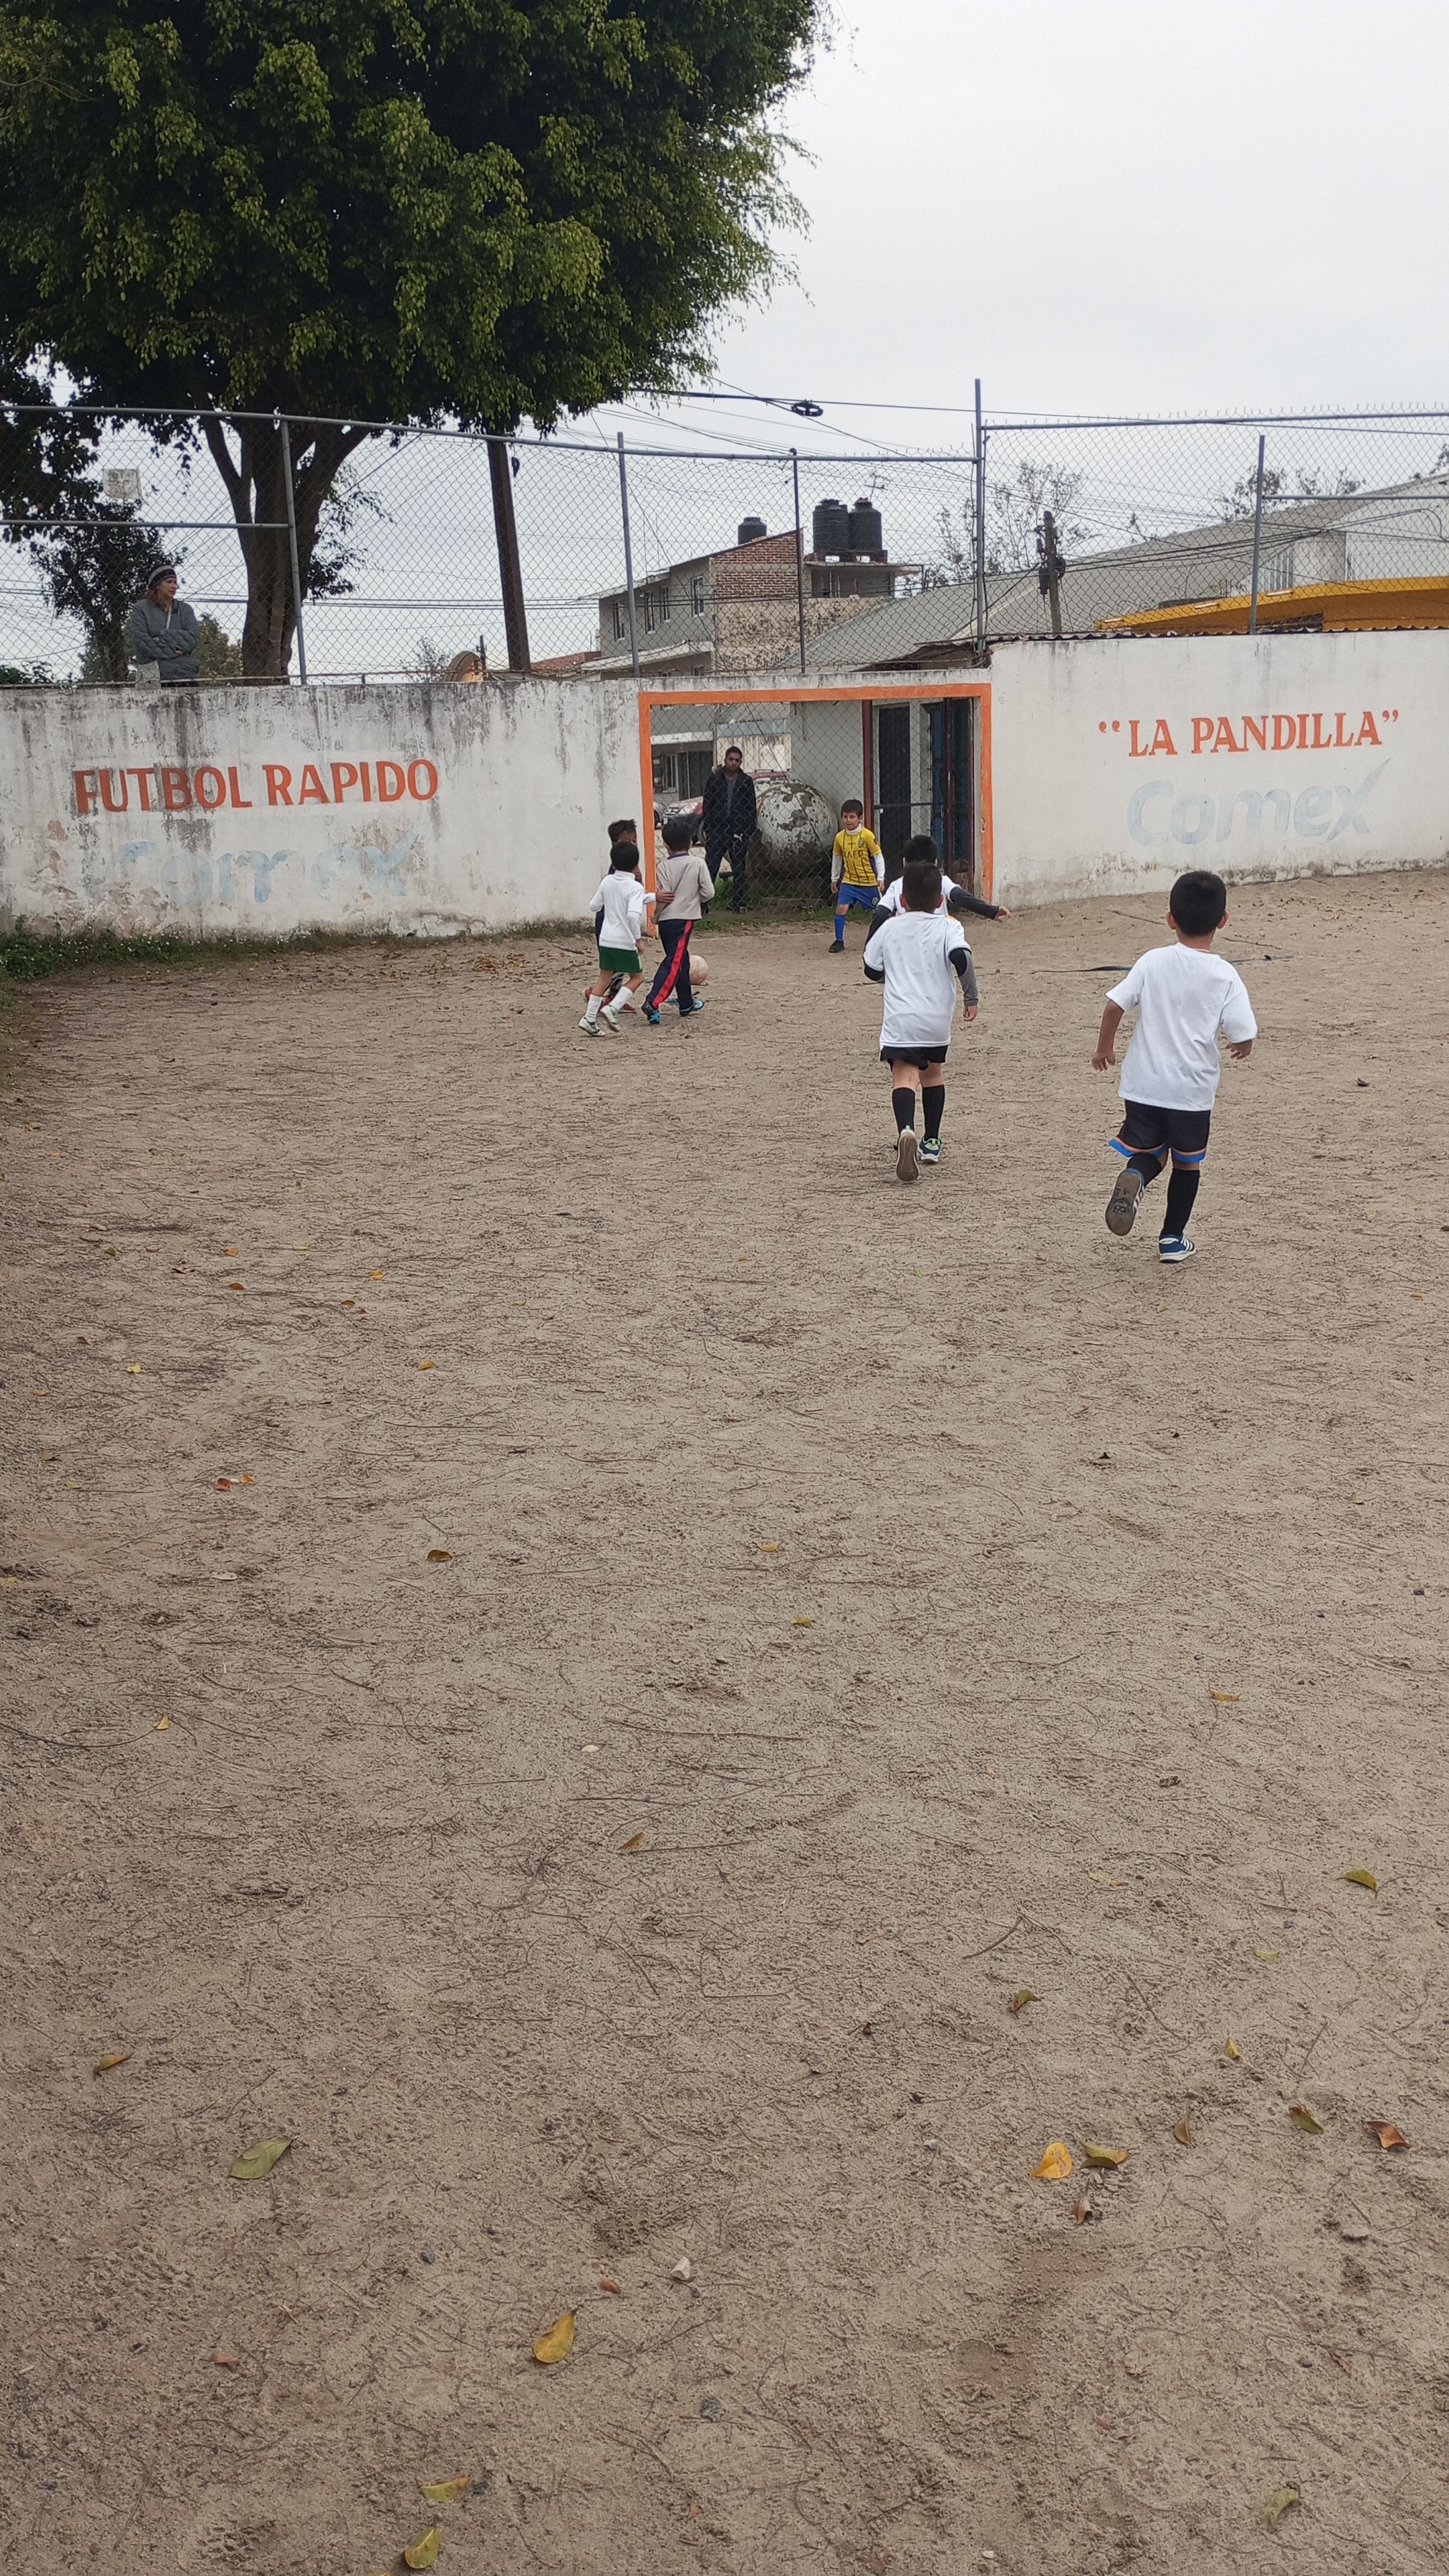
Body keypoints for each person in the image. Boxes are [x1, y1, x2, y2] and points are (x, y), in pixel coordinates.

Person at [1092, 866, 1256, 1265]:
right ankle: (1171, 1239)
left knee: (1152, 1152)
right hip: (1191, 1090)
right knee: (1186, 1161)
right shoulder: (1225, 975)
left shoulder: (1152, 961)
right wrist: (1243, 1046)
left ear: (1170, 920)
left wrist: (1105, 1049)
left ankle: (1138, 1176)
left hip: (1144, 1084)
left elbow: (1115, 1005)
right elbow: (1242, 1031)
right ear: (1223, 920)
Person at [862, 854, 978, 1183]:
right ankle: (931, 1142)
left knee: (904, 1077)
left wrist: (893, 971)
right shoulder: (950, 926)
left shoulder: (888, 928)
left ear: (901, 898)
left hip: (901, 1019)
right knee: (933, 1075)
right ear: (941, 899)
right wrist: (972, 997)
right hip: (936, 1020)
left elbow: (871, 969)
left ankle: (906, 1132)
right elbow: (962, 959)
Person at [643, 814, 712, 1025]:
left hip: (666, 920)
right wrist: (694, 898)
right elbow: (709, 893)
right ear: (692, 842)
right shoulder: (698, 864)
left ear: (665, 845)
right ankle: (653, 1001)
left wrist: (655, 916)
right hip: (684, 920)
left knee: (680, 960)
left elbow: (664, 896)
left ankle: (686, 1003)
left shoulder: (663, 867)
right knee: (674, 961)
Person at [580, 841, 651, 1034]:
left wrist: (653, 896)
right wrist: (638, 939)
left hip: (606, 939)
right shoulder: (635, 887)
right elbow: (633, 915)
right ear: (636, 865)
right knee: (637, 977)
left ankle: (589, 1019)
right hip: (624, 940)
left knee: (604, 978)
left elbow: (594, 906)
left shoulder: (607, 881)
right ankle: (613, 1007)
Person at [873, 832, 1009, 928]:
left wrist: (871, 942)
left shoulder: (897, 885)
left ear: (904, 862)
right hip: (938, 937)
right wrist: (991, 911)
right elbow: (960, 896)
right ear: (936, 862)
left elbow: (880, 913)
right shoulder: (941, 881)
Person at [701, 746, 757, 911]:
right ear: (725, 760)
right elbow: (707, 806)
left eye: (737, 760)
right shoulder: (714, 780)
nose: (733, 763)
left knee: (739, 867)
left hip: (738, 830)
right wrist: (710, 828)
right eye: (730, 759)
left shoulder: (746, 782)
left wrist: (746, 830)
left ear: (740, 762)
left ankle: (738, 904)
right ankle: (703, 904)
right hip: (717, 830)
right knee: (711, 867)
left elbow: (751, 808)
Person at [127, 563, 201, 686]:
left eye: (175, 582)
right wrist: (175, 650)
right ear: (157, 585)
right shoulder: (140, 609)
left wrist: (162, 637)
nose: (174, 586)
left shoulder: (185, 610)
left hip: (185, 675)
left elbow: (193, 639)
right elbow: (143, 642)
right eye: (168, 582)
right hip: (154, 675)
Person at [828, 799, 885, 951]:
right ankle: (839, 941)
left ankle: (880, 940)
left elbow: (878, 856)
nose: (848, 820)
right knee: (841, 908)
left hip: (869, 882)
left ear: (860, 818)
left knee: (880, 912)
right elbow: (837, 858)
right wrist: (834, 879)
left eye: (852, 817)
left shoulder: (867, 836)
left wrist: (880, 878)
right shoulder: (839, 838)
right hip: (849, 881)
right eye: (845, 817)